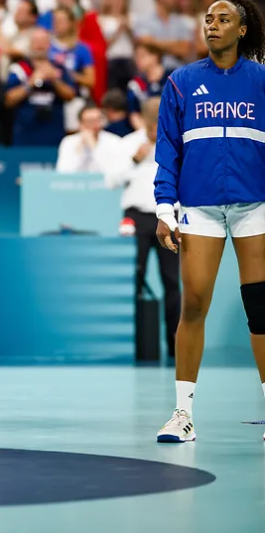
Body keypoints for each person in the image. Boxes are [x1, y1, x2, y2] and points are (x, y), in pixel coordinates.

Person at [153, 0, 265, 443]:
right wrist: (165, 208)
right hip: (198, 207)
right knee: (195, 303)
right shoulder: (181, 82)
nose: (212, 25)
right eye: (208, 19)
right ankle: (182, 414)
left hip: (254, 206)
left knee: (261, 308)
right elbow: (167, 148)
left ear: (242, 29)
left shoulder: (261, 80)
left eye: (223, 19)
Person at [105, 97, 181, 357]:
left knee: (172, 280)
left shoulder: (177, 140)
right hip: (136, 218)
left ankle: (175, 346)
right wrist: (135, 159)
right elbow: (111, 181)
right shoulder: (128, 143)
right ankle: (134, 345)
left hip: (170, 216)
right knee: (134, 278)